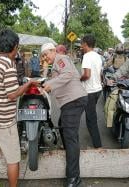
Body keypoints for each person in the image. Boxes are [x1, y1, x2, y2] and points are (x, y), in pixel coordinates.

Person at [0, 29, 38, 187]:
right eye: (18, 47)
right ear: (15, 46)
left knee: (9, 153)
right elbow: (12, 95)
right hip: (4, 121)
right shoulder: (8, 65)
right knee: (14, 159)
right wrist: (28, 83)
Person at [41, 42, 88, 187]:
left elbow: (68, 74)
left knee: (70, 137)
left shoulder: (60, 59)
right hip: (70, 102)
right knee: (63, 126)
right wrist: (44, 83)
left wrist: (51, 85)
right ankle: (68, 150)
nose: (44, 58)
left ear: (53, 51)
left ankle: (74, 178)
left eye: (46, 54)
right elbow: (57, 78)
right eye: (42, 56)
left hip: (73, 101)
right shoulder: (55, 63)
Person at [80, 34, 102, 148]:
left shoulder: (87, 56)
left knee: (91, 118)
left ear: (85, 44)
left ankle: (97, 144)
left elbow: (87, 75)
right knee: (90, 115)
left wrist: (79, 79)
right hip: (98, 89)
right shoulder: (98, 56)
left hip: (90, 91)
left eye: (81, 43)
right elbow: (99, 73)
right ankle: (96, 142)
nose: (81, 46)